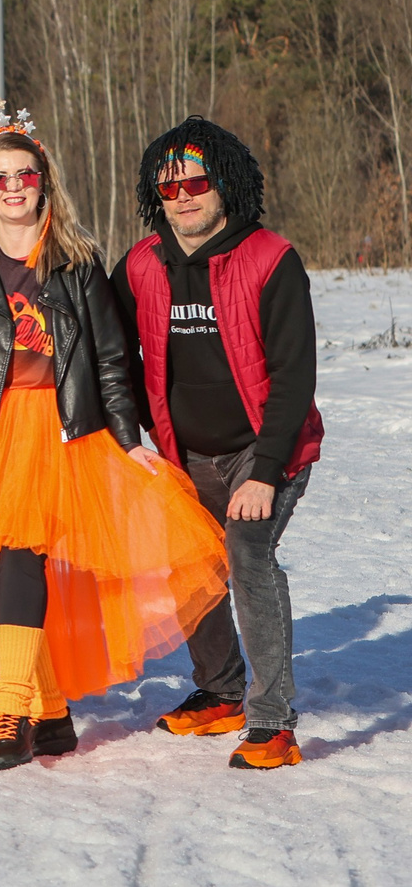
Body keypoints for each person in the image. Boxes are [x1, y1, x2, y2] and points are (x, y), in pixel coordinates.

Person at [0, 108, 229, 770]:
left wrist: (127, 439)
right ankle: (51, 713)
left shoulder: (77, 263)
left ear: (43, 181)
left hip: (60, 433)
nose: (13, 187)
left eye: (24, 174)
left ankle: (11, 711)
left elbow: (112, 359)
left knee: (23, 559)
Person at [114, 117, 320, 770]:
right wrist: (129, 435)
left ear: (224, 184)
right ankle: (223, 690)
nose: (183, 197)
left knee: (247, 554)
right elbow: (112, 355)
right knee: (189, 563)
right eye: (168, 187)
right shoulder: (141, 264)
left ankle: (273, 721)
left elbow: (294, 376)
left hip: (267, 447)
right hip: (185, 452)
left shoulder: (271, 258)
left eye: (197, 183)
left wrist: (265, 471)